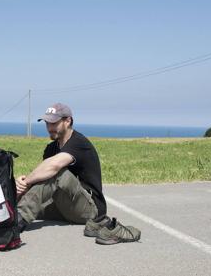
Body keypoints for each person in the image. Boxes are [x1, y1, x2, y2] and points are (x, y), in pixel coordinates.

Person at [15, 103, 140, 244]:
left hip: (89, 209)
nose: (49, 128)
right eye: (47, 123)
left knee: (56, 172)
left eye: (54, 123)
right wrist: (20, 186)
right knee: (21, 197)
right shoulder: (51, 148)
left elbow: (54, 167)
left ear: (67, 121)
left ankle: (16, 223)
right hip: (63, 206)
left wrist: (27, 181)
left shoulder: (79, 143)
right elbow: (42, 181)